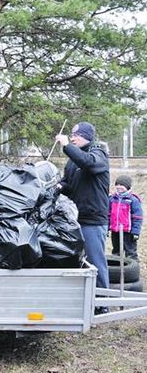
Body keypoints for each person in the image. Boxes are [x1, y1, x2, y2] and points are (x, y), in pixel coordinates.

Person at [55, 122, 110, 295]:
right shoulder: (73, 161)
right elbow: (68, 183)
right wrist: (58, 186)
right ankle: (83, 298)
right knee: (77, 260)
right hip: (75, 220)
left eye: (75, 135)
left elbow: (89, 164)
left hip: (93, 220)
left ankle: (102, 302)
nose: (72, 138)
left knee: (95, 261)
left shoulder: (98, 153)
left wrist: (66, 145)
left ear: (86, 136)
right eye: (71, 135)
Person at [108, 175, 143, 261]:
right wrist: (106, 228)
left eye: (122, 185)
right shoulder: (112, 199)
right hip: (115, 230)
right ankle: (117, 269)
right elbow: (108, 214)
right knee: (116, 251)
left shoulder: (133, 200)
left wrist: (136, 232)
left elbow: (137, 217)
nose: (119, 187)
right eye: (117, 184)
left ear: (128, 187)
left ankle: (133, 271)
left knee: (130, 252)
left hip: (128, 232)